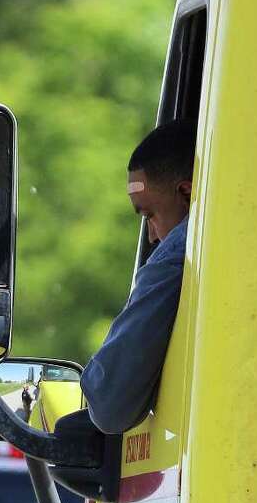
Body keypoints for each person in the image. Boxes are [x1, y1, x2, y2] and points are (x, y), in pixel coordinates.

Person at [77, 118, 195, 435]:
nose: (153, 238)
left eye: (149, 215)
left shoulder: (179, 256)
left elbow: (110, 404)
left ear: (187, 193)